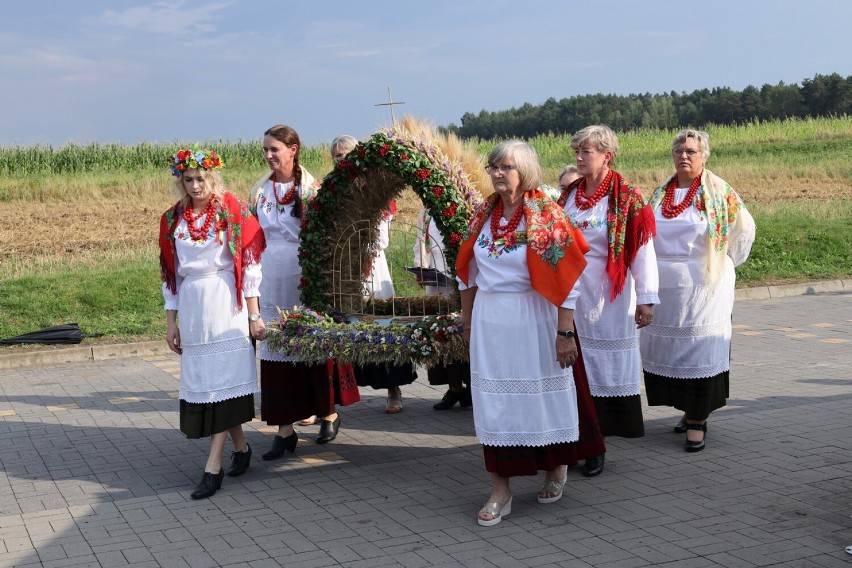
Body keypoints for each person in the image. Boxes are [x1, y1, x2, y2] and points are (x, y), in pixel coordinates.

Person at [456, 140, 601, 526]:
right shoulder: (483, 215)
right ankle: (500, 490)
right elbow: (467, 273)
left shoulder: (546, 214)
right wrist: (468, 323)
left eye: (505, 167)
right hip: (491, 319)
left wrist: (565, 332)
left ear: (525, 171)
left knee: (541, 398)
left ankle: (556, 466)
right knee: (495, 402)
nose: (497, 174)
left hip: (534, 317)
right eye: (493, 167)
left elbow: (569, 278)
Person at [159, 147, 266, 499]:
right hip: (193, 304)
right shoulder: (173, 218)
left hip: (225, 301)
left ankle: (213, 466)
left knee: (224, 381)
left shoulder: (231, 210)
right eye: (188, 180)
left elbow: (250, 266)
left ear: (212, 177)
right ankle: (242, 448)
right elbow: (171, 276)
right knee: (211, 383)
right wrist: (171, 322)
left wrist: (253, 314)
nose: (195, 185)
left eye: (201, 178)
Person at [640, 129, 755, 452]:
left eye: (691, 151)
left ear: (704, 156)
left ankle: (697, 419)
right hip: (666, 287)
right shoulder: (661, 193)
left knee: (699, 350)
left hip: (705, 286)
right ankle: (686, 409)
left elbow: (744, 230)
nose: (684, 156)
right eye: (678, 150)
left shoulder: (719, 193)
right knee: (671, 353)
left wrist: (724, 264)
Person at [557, 125, 659, 477]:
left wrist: (646, 299)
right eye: (578, 151)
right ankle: (577, 439)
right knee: (574, 368)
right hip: (570, 295)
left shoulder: (627, 197)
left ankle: (598, 446)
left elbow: (642, 250)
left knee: (601, 370)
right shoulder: (568, 196)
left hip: (608, 295)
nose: (580, 157)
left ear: (607, 155)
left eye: (587, 151)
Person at [251, 125, 352, 454]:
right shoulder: (260, 191)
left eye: (274, 149)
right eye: (266, 149)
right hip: (270, 277)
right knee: (276, 351)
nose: (268, 155)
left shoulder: (310, 189)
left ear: (293, 150)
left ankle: (328, 412)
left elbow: (326, 237)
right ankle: (284, 430)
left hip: (302, 276)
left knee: (310, 347)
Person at [327, 134, 417, 414]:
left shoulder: (376, 190)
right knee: (347, 323)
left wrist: (358, 244)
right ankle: (338, 394)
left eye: (347, 155)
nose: (343, 161)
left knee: (383, 322)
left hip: (372, 264)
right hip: (344, 268)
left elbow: (381, 237)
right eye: (337, 157)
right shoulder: (331, 193)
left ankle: (394, 389)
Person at [412, 206, 471, 410]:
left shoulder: (463, 207)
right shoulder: (427, 212)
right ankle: (454, 388)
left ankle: (472, 386)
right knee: (441, 332)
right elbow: (420, 242)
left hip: (461, 280)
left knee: (463, 332)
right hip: (436, 282)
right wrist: (420, 269)